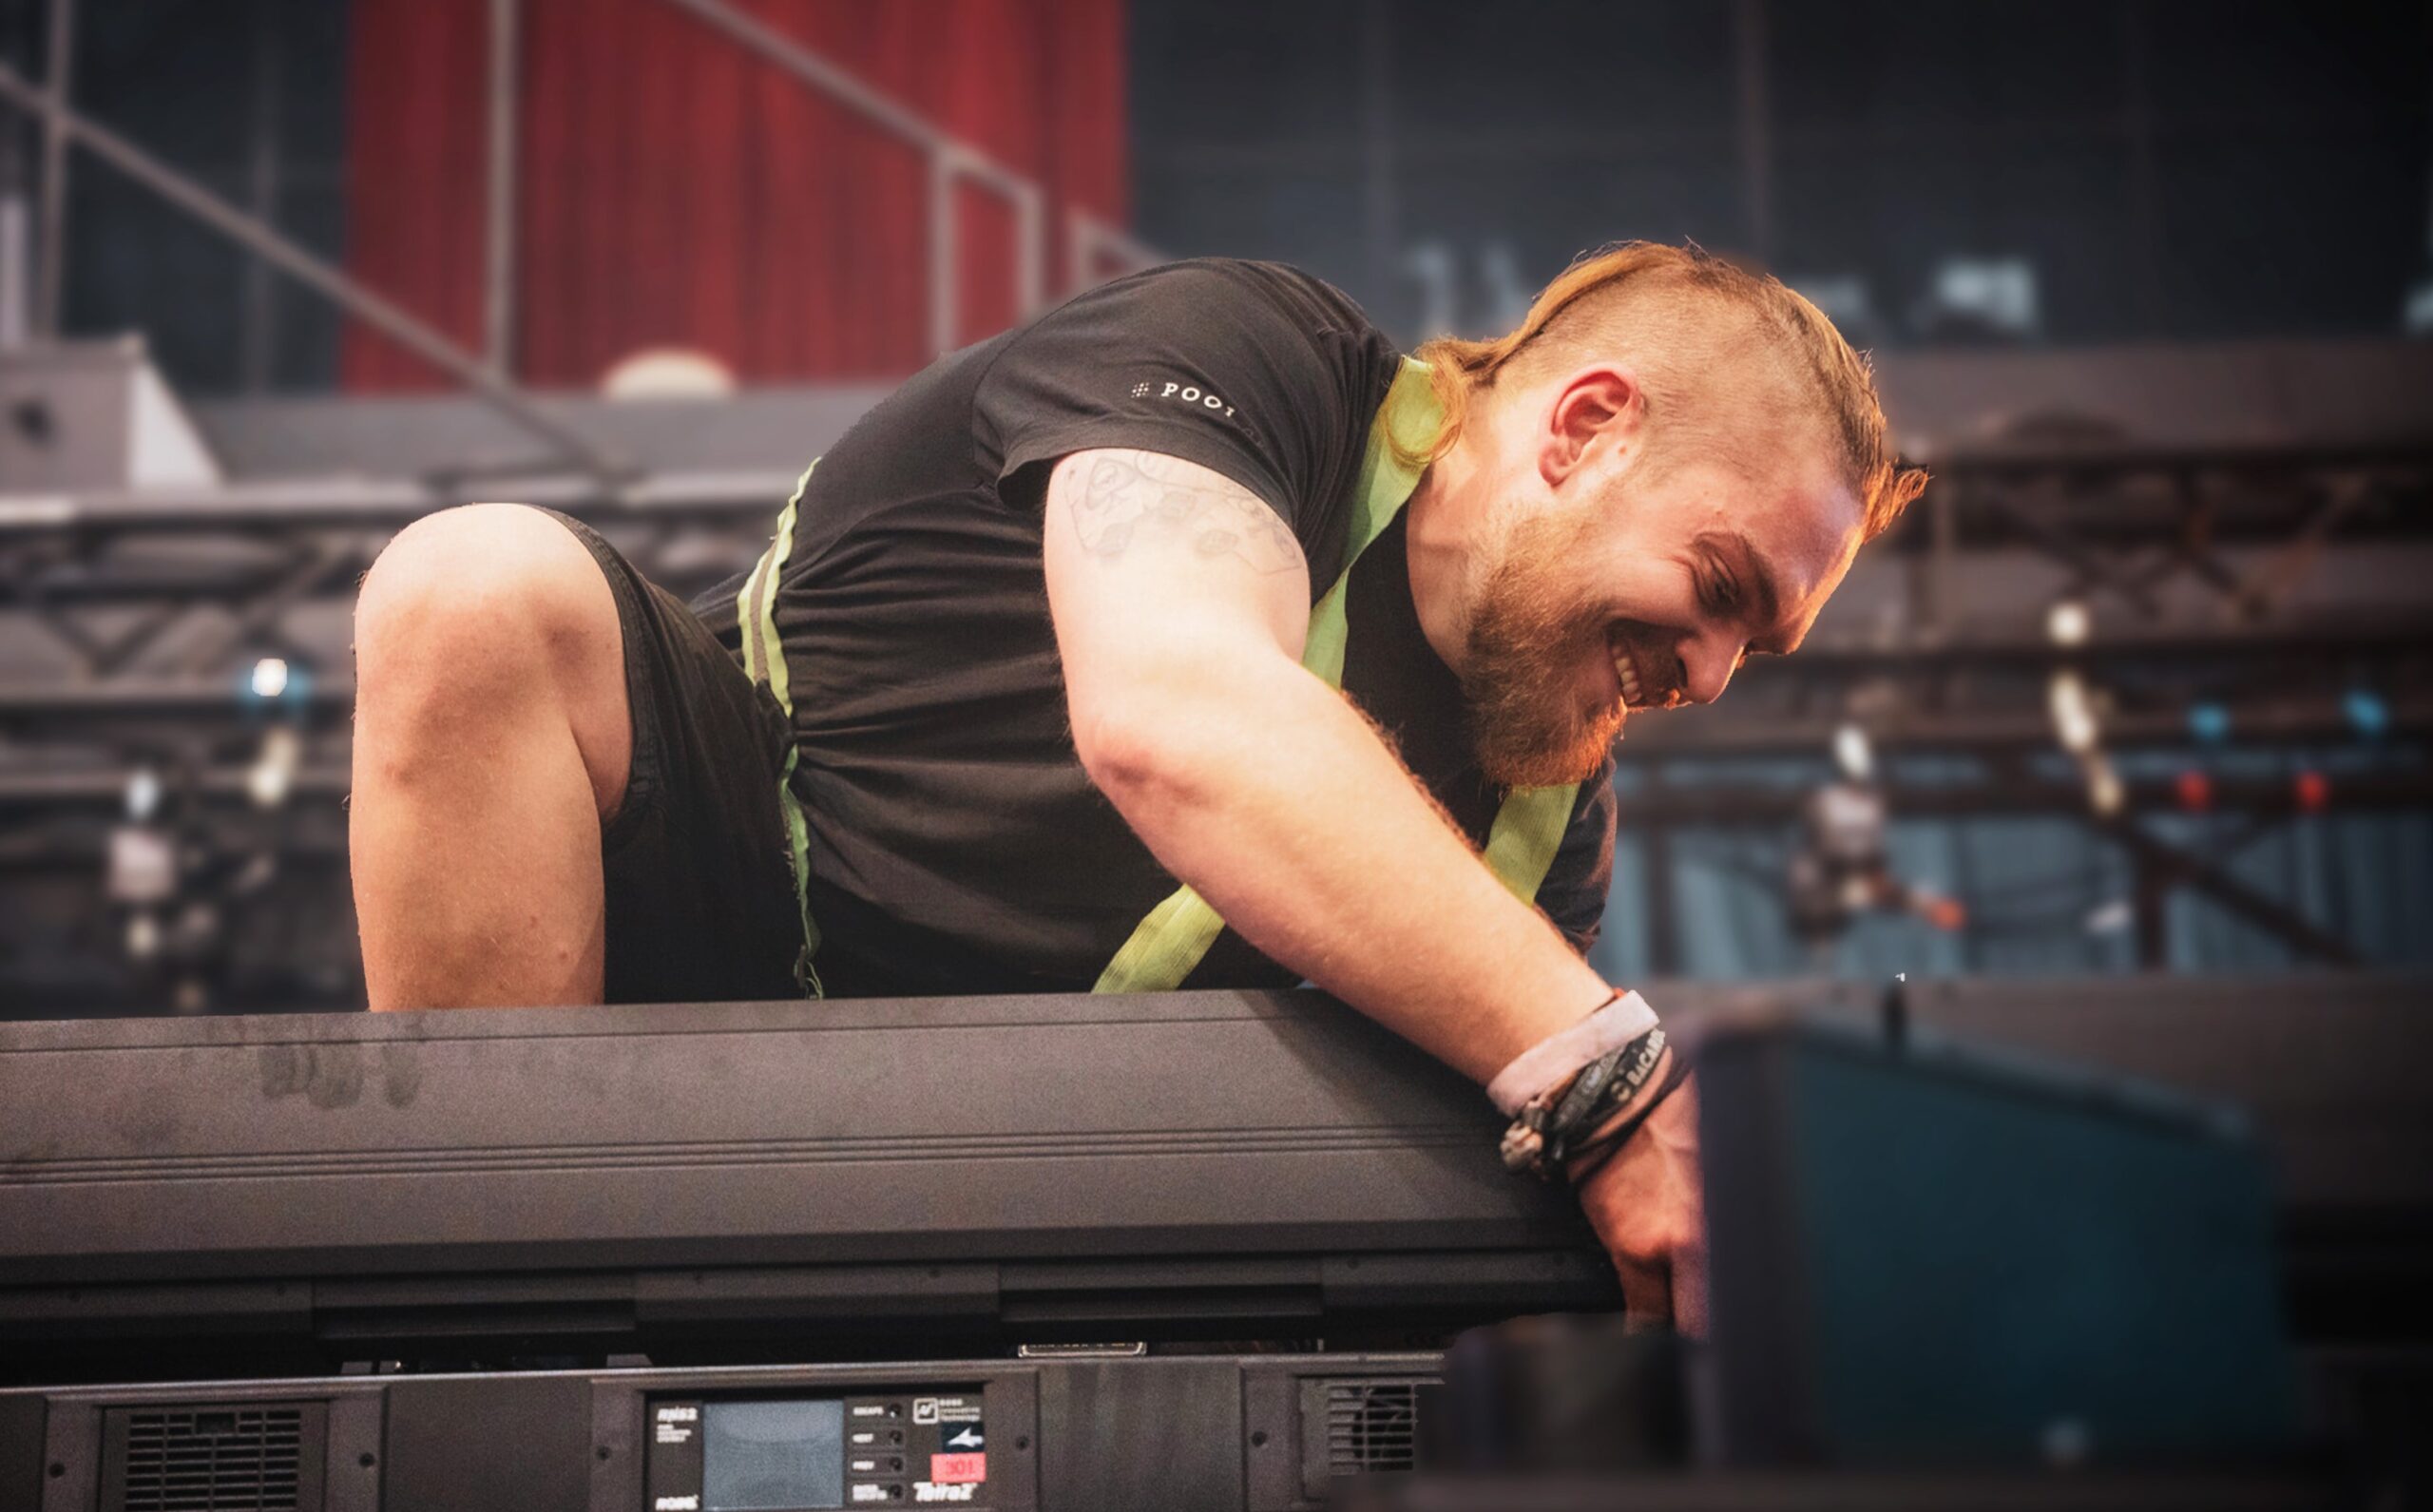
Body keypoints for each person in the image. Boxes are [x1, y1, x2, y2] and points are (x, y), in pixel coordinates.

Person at [348, 243, 1926, 1328]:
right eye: (1720, 587)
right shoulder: (1252, 357)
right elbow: (1172, 708)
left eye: (1757, 645)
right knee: (472, 586)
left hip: (1026, 1219)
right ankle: (483, 1348)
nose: (1712, 674)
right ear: (1585, 428)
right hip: (709, 966)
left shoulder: (1547, 812)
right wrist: (1609, 1078)